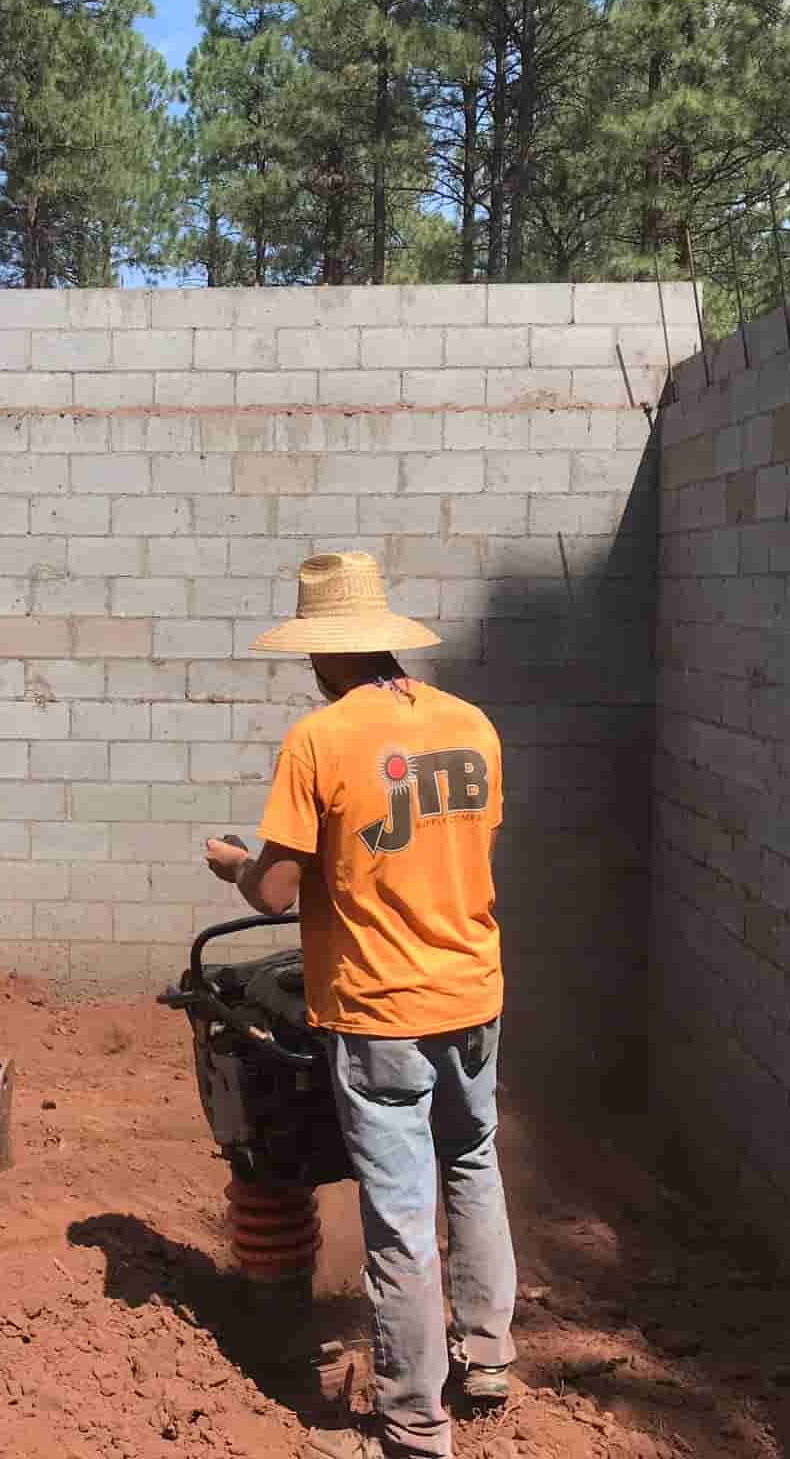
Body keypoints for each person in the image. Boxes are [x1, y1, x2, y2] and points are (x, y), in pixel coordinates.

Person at [203, 551, 517, 1459]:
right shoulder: (471, 725)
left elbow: (277, 894)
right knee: (474, 1166)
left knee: (400, 1214)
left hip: (381, 1009)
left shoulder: (319, 738)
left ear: (326, 654)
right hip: (473, 992)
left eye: (310, 656)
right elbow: (452, 851)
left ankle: (415, 1424)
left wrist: (235, 864)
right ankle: (489, 1359)